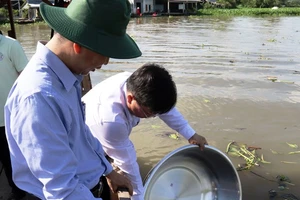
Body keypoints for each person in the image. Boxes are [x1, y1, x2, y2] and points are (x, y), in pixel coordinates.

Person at [4, 0, 141, 199]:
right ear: (78, 46)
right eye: (105, 53)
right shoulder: (39, 97)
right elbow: (62, 189)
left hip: (89, 185)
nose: (105, 62)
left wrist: (108, 170)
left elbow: (81, 134)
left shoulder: (66, 77)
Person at [82, 63, 208, 200]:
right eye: (148, 114)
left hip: (105, 135)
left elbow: (163, 109)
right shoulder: (111, 121)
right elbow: (127, 162)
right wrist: (139, 196)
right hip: (84, 147)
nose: (152, 117)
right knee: (99, 181)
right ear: (130, 99)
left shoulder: (135, 83)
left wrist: (191, 134)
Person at [0, 30, 28, 200]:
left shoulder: (10, 45)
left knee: (10, 158)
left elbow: (26, 79)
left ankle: (18, 192)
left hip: (8, 118)